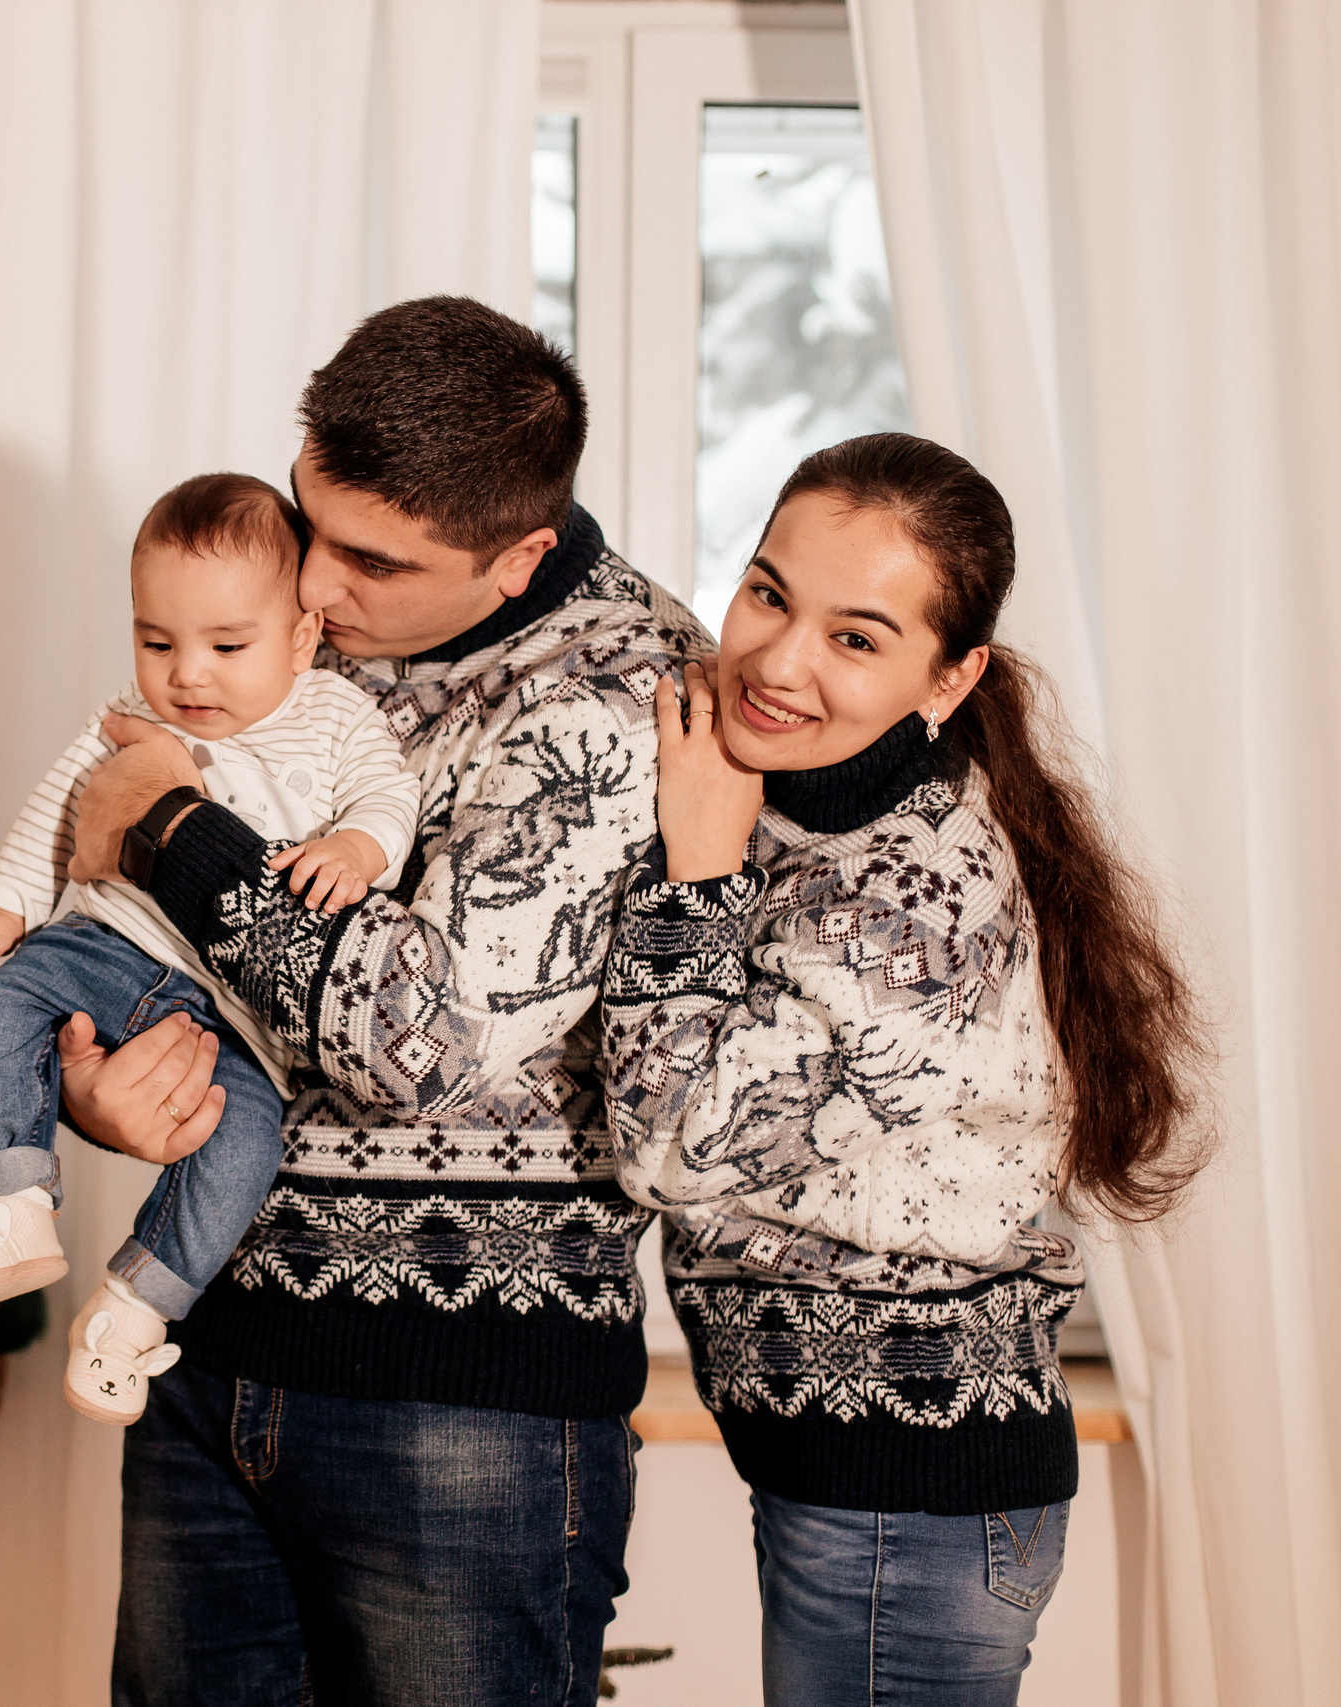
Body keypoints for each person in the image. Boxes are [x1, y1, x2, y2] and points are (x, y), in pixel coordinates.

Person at [60, 297, 708, 1707]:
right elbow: (108, 870)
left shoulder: (612, 695)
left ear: (520, 553)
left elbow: (412, 1043)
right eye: (312, 522)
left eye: (372, 562)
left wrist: (175, 825)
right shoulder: (289, 607)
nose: (315, 590)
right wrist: (95, 1080)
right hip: (200, 1337)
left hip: (461, 1402)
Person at [600, 433, 1207, 1705]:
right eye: (768, 593)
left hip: (903, 1501)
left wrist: (695, 877)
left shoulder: (906, 896)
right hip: (864, 1484)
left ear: (951, 674)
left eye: (857, 638)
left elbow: (667, 1147)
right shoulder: (819, 808)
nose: (776, 661)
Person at [0, 471, 420, 1425]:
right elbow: (59, 804)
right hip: (107, 946)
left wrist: (358, 847)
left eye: (226, 646)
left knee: (241, 1148)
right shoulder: (130, 714)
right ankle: (7, 1200)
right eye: (158, 642)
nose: (187, 673)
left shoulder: (336, 717)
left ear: (301, 635)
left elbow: (387, 798)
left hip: (239, 1012)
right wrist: (9, 905)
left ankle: (136, 1307)